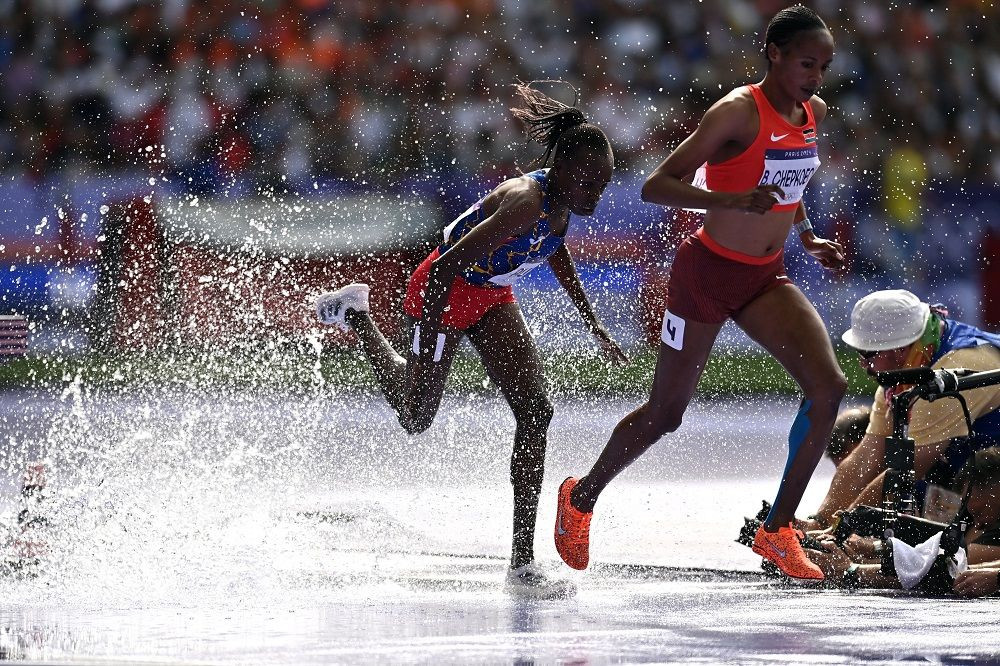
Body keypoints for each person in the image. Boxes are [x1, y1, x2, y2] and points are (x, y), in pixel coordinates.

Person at [554, 5, 847, 582]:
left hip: (765, 277)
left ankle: (777, 530)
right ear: (775, 54)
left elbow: (788, 184)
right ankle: (580, 498)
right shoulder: (737, 111)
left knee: (828, 387)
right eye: (806, 64)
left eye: (824, 67)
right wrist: (732, 201)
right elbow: (656, 185)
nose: (816, 77)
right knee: (666, 414)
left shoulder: (811, 114)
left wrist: (807, 235)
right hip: (706, 275)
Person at [315, 82, 625, 599]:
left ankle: (522, 564)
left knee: (536, 412)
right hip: (442, 288)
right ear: (563, 170)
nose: (597, 192)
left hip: (490, 294)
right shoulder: (526, 201)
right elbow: (444, 268)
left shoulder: (563, 201)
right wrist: (433, 337)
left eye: (604, 183)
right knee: (415, 415)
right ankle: (357, 314)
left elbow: (554, 249)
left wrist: (591, 321)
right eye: (590, 181)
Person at [806, 289, 1000, 529]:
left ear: (900, 347)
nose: (862, 363)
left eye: (867, 353)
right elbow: (866, 456)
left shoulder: (957, 366)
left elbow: (908, 468)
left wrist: (841, 527)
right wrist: (820, 520)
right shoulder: (909, 365)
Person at [810, 447, 1000, 597]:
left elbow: (951, 568)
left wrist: (852, 569)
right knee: (866, 518)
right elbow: (943, 556)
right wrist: (866, 549)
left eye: (978, 512)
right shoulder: (984, 510)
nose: (978, 524)